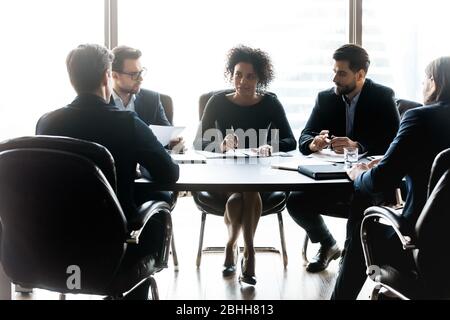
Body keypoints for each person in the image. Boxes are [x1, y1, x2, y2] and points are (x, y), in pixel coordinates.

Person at [36, 44, 180, 298]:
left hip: (58, 243)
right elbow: (169, 174)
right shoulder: (127, 123)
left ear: (72, 79)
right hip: (114, 247)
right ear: (107, 77)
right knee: (159, 201)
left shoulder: (47, 122)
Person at [331, 56, 450, 299]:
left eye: (424, 80)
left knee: (361, 231)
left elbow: (380, 181)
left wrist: (359, 174)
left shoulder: (419, 117)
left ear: (435, 82)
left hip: (423, 245)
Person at [287, 44, 400, 273]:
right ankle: (328, 244)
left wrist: (358, 146)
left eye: (341, 73)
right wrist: (313, 142)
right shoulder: (325, 98)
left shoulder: (382, 96)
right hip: (332, 179)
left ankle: (353, 259)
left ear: (360, 75)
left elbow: (395, 140)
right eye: (334, 71)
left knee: (360, 204)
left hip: (368, 182)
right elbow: (304, 137)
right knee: (295, 201)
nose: (334, 78)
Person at [195, 45, 296, 285]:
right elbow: (198, 142)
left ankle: (234, 247)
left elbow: (290, 141)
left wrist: (270, 146)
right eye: (238, 74)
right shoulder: (217, 101)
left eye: (250, 76)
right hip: (224, 176)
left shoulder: (270, 103)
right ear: (231, 75)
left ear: (260, 78)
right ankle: (247, 255)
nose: (243, 81)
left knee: (241, 196)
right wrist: (221, 144)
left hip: (259, 177)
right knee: (242, 192)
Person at [111, 45, 183, 206]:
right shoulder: (101, 103)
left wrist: (173, 141)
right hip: (113, 182)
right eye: (133, 74)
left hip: (148, 176)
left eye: (141, 72)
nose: (140, 79)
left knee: (161, 198)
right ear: (114, 75)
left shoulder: (152, 99)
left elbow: (167, 133)